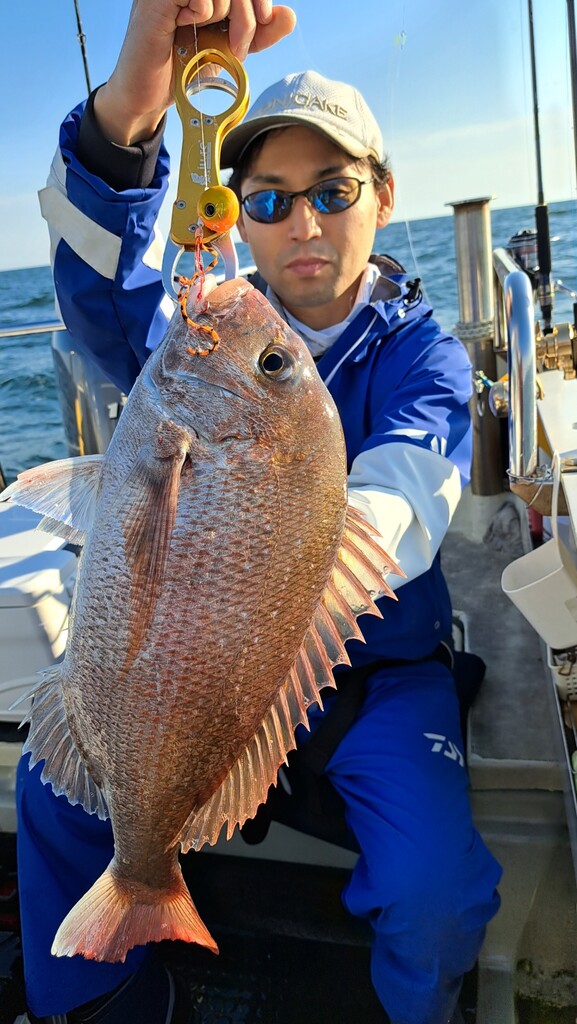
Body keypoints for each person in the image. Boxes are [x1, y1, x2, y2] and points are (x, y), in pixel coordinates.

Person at [20, 1, 502, 1022]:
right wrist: (138, 94)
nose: (306, 223)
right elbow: (106, 286)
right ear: (233, 210)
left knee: (436, 891)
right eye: (271, 200)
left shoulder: (421, 355)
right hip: (195, 670)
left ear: (381, 195)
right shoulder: (204, 328)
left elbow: (399, 502)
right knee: (53, 790)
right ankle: (102, 1007)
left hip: (373, 683)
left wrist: (265, 510)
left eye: (333, 191)